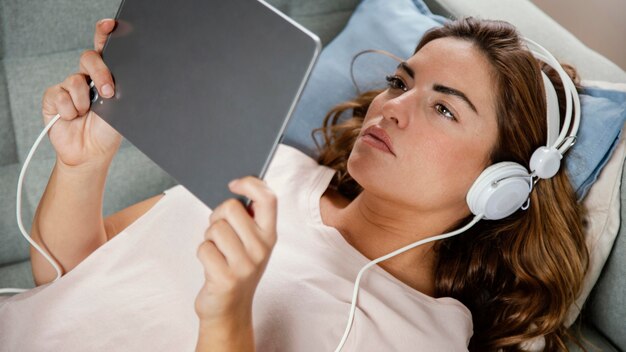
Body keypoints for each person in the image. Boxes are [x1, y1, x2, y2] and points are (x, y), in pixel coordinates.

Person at [17, 16, 587, 351]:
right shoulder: (272, 170)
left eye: (444, 110)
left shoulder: (422, 335)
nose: (391, 108)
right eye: (400, 82)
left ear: (502, 184)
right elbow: (67, 275)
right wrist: (82, 165)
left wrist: (227, 314)